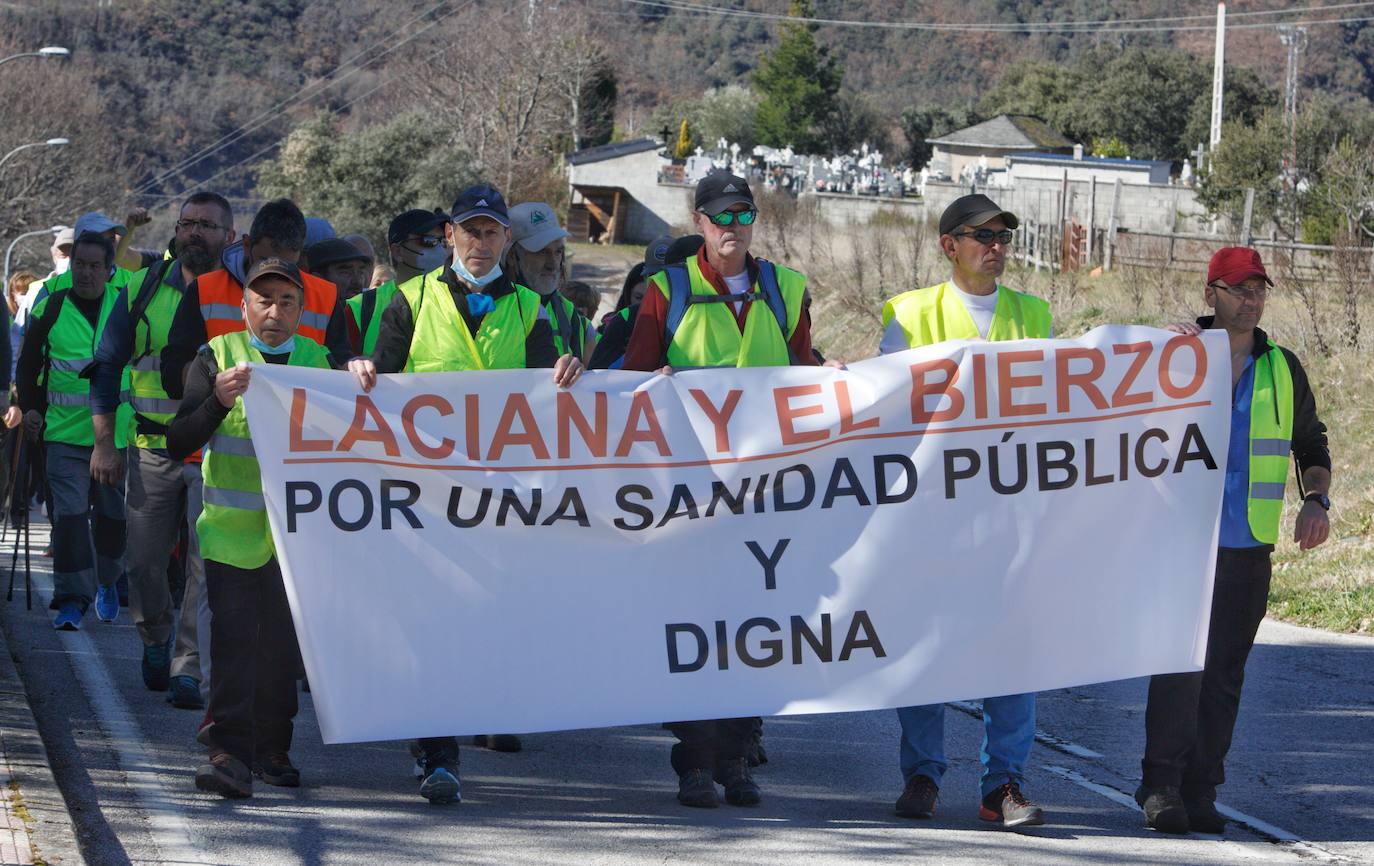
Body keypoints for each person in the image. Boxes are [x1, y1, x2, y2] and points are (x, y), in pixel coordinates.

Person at [348, 183, 583, 805]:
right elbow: (377, 386)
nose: (480, 243)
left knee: (480, 621)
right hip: (424, 499)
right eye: (469, 231)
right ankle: (437, 750)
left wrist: (568, 374)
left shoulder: (533, 309)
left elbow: (546, 399)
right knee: (429, 621)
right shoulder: (408, 300)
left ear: (506, 240)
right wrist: (361, 373)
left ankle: (464, 722)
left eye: (491, 232)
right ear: (449, 234)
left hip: (497, 503)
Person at [621, 171, 816, 809]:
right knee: (698, 627)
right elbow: (633, 381)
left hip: (764, 491)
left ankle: (737, 760)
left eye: (743, 215)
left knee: (754, 630)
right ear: (699, 222)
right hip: (690, 491)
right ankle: (696, 764)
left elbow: (804, 369)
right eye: (721, 216)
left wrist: (834, 377)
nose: (733, 227)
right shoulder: (665, 288)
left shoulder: (786, 288)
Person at [1135, 247, 1331, 835]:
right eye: (1239, 289)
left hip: (1248, 544)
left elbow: (1310, 443)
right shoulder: (1174, 355)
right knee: (1180, 665)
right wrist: (1149, 350)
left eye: (1259, 290)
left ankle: (1201, 788)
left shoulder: (1282, 367)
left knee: (1224, 671)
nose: (1251, 300)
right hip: (1180, 542)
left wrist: (1315, 501)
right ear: (1210, 295)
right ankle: (1161, 785)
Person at [879, 193, 1049, 829]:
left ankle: (1002, 785)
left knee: (1011, 651)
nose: (995, 245)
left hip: (1007, 516)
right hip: (929, 515)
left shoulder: (1034, 313)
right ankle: (922, 775)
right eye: (981, 235)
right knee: (923, 649)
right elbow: (881, 405)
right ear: (949, 245)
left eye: (1003, 234)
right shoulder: (910, 312)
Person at [168, 257, 336, 799]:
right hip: (231, 534)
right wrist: (217, 399)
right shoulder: (214, 357)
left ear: (301, 311)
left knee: (283, 650)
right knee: (237, 643)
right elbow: (178, 439)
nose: (275, 311)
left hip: (298, 539)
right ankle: (230, 752)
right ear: (244, 307)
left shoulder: (321, 363)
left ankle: (273, 748)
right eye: (264, 300)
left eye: (287, 301)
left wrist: (360, 378)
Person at [88, 192, 237, 709]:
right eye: (187, 223)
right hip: (150, 448)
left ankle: (187, 668)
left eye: (208, 226)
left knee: (203, 563)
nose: (195, 233)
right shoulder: (144, 288)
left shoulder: (243, 295)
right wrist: (104, 444)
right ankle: (155, 638)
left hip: (213, 452)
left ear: (230, 238)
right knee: (145, 563)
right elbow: (107, 367)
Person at [16, 232, 132, 630]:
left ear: (108, 269)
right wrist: (30, 408)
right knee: (69, 518)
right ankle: (71, 598)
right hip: (63, 436)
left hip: (115, 439)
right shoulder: (51, 305)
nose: (84, 273)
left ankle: (107, 583)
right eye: (78, 264)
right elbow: (28, 364)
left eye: (93, 266)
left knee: (113, 519)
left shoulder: (126, 304)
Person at [160, 198, 353, 402]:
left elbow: (340, 372)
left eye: (287, 266)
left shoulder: (326, 296)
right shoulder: (203, 290)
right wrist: (214, 382)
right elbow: (172, 373)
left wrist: (354, 366)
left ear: (301, 256)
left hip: (300, 428)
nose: (274, 274)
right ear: (246, 244)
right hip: (222, 424)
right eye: (264, 261)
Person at [346, 208, 447, 357]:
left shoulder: (457, 300)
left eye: (443, 241)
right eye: (428, 241)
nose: (439, 249)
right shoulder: (359, 308)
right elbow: (343, 370)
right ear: (398, 252)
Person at [590, 235, 700, 371]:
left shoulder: (711, 315)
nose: (663, 284)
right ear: (645, 278)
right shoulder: (627, 318)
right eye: (655, 278)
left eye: (672, 278)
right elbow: (599, 374)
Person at [505, 202, 596, 365]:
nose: (552, 263)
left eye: (558, 251)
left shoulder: (575, 320)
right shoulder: (491, 310)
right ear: (512, 256)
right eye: (541, 251)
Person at [17, 228, 73, 329]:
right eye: (63, 255)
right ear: (54, 257)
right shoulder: (36, 289)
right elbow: (18, 333)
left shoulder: (89, 290)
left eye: (72, 256)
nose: (68, 261)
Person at [305, 237, 372, 302]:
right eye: (345, 272)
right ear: (317, 279)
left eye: (361, 272)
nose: (357, 281)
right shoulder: (300, 311)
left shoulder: (369, 308)